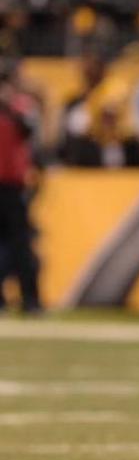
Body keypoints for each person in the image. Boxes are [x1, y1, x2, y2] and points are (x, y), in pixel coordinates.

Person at [0, 56, 42, 314]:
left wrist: (7, 105)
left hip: (14, 186)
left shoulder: (22, 106)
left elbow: (28, 129)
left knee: (21, 245)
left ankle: (30, 299)